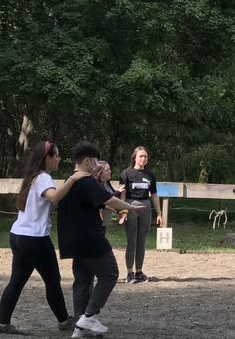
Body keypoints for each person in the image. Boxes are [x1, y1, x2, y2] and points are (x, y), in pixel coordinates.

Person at [0, 141, 88, 334]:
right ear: (48, 158)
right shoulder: (44, 178)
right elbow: (54, 197)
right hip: (35, 239)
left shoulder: (32, 177)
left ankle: (3, 323)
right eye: (57, 156)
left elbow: (48, 202)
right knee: (52, 279)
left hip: (18, 235)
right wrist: (73, 178)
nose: (59, 159)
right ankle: (64, 320)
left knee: (17, 281)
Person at [58, 142, 147, 338]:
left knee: (83, 281)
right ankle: (89, 316)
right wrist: (131, 207)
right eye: (96, 161)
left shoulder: (68, 181)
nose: (97, 165)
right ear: (88, 161)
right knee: (110, 273)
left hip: (71, 239)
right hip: (90, 238)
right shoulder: (87, 181)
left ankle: (80, 327)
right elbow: (108, 199)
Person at [119, 146, 163, 284]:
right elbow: (123, 194)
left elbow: (154, 195)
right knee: (131, 240)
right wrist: (123, 211)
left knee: (141, 241)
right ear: (134, 158)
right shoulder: (126, 173)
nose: (143, 159)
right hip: (131, 206)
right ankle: (129, 273)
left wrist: (159, 213)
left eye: (145, 156)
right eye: (141, 156)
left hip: (146, 207)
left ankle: (139, 272)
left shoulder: (150, 175)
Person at [93, 161, 122, 233]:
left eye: (110, 169)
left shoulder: (107, 182)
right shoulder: (97, 184)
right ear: (100, 173)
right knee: (99, 233)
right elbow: (104, 198)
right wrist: (118, 192)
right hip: (98, 216)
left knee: (103, 233)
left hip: (107, 213)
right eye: (107, 170)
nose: (110, 171)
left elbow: (112, 195)